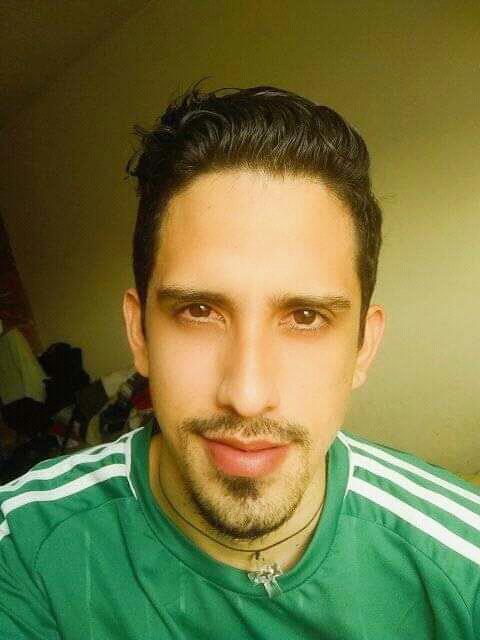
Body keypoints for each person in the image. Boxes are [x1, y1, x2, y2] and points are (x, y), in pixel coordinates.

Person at [1, 82, 479, 639]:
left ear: (363, 346)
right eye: (199, 311)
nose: (247, 395)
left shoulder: (463, 565)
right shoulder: (23, 548)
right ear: (139, 332)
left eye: (306, 317)